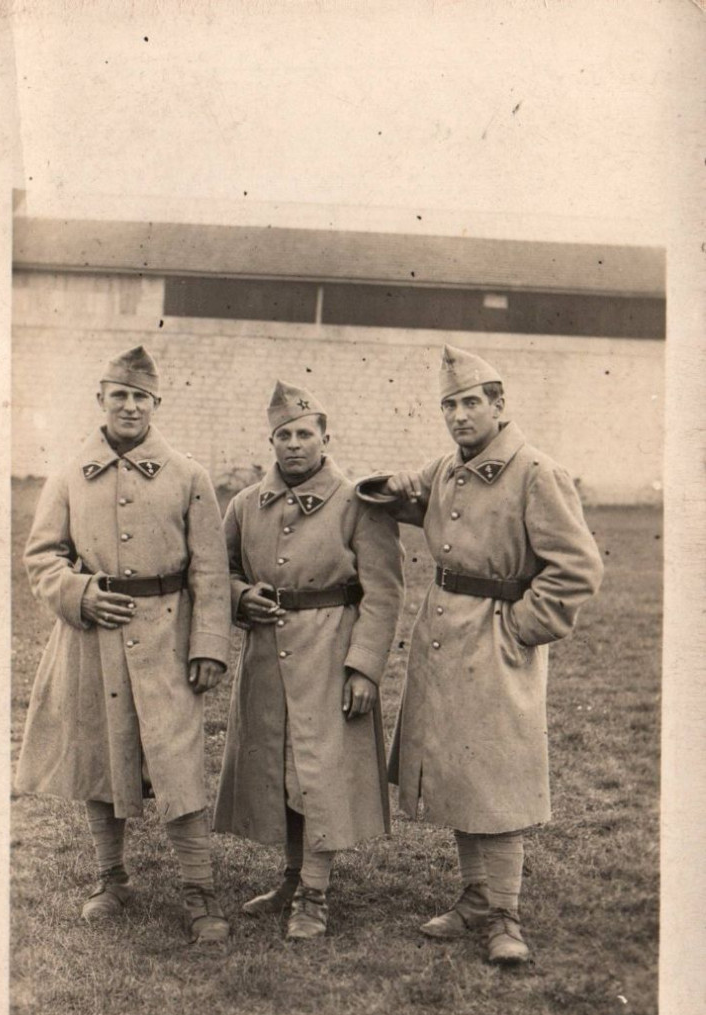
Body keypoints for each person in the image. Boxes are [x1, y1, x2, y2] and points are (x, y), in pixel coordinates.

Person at [356, 345, 603, 964]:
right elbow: (438, 511)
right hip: (443, 635)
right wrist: (395, 487)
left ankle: (505, 916)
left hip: (495, 640)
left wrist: (521, 626)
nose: (460, 415)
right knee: (460, 772)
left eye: (471, 402)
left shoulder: (536, 472)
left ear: (499, 405)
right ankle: (472, 898)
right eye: (449, 405)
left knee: (496, 777)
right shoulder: (451, 466)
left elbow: (577, 569)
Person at [15, 346, 233, 943]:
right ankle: (110, 878)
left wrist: (209, 644)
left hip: (168, 637)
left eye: (141, 397)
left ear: (156, 404)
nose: (130, 406)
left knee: (177, 757)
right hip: (93, 640)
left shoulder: (189, 476)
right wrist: (81, 594)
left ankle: (199, 889)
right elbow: (41, 557)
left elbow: (210, 572)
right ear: (101, 400)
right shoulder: (67, 473)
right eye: (120, 395)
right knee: (100, 754)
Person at [213, 380, 403, 940]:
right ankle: (293, 879)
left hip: (332, 650)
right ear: (270, 441)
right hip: (268, 652)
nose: (294, 444)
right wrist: (240, 597)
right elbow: (219, 573)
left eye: (304, 433)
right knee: (281, 766)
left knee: (321, 771)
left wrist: (364, 666)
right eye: (283, 435)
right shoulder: (246, 505)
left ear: (325, 437)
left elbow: (386, 592)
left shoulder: (357, 504)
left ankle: (316, 895)